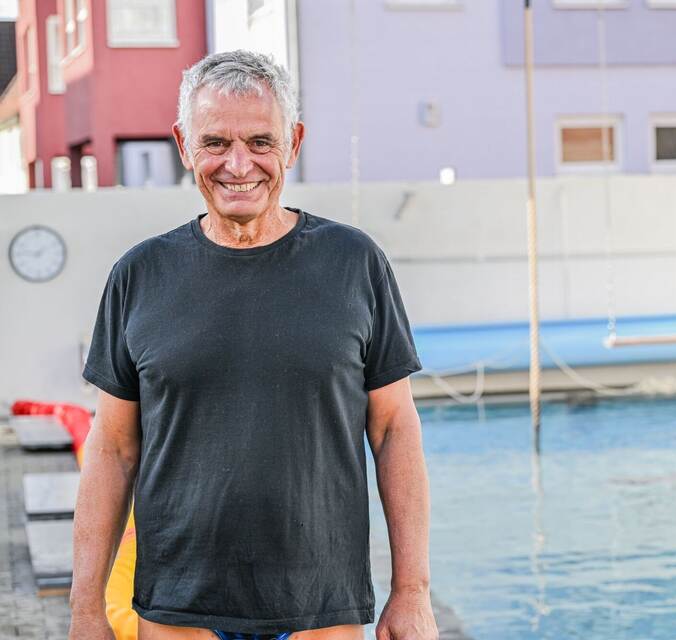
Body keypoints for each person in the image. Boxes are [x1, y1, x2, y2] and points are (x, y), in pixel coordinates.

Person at [68, 51, 439, 640]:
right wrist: (86, 610)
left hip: (321, 604)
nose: (238, 165)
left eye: (260, 142)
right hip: (177, 607)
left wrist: (411, 591)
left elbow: (394, 428)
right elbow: (113, 449)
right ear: (184, 146)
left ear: (292, 143)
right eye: (215, 142)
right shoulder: (139, 275)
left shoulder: (354, 263)